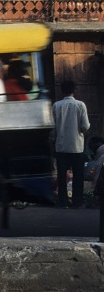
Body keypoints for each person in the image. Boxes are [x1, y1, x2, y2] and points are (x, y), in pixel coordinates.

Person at [52, 80, 90, 209]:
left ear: (62, 91)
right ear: (74, 90)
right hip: (76, 146)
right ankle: (77, 202)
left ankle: (62, 201)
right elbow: (85, 126)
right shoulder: (81, 105)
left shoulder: (56, 106)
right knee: (78, 176)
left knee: (62, 175)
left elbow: (53, 129)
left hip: (61, 146)